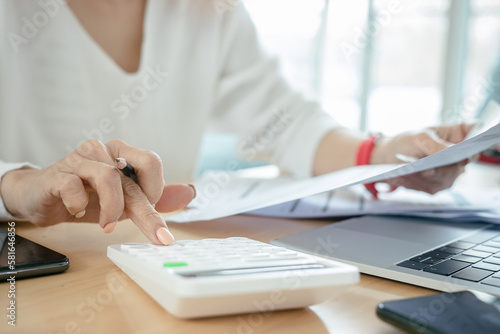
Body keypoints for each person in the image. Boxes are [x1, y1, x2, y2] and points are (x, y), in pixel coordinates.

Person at [0, 0, 472, 245]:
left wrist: (387, 155)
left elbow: (286, 120)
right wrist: (16, 186)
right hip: (34, 276)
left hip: (156, 262)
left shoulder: (208, 9)